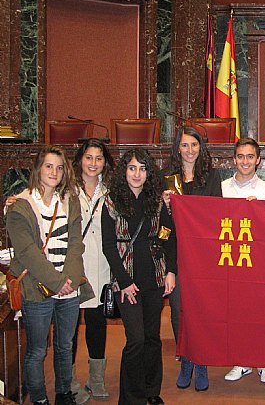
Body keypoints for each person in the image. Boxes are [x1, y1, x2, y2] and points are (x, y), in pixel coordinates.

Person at [6, 146, 93, 405]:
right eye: (48, 166)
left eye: (59, 167)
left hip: (68, 287)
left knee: (65, 346)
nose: (54, 172)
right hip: (37, 288)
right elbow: (28, 253)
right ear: (38, 169)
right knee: (37, 350)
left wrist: (69, 280)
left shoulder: (70, 201)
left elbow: (76, 244)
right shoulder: (20, 206)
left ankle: (63, 393)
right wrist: (56, 283)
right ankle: (41, 398)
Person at [102, 148, 176, 405]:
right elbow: (109, 245)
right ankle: (131, 397)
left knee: (153, 338)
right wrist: (124, 281)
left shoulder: (157, 200)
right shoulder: (111, 201)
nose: (137, 173)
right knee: (136, 339)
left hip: (155, 277)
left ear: (149, 173)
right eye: (132, 168)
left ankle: (151, 391)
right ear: (124, 171)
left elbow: (168, 235)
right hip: (127, 281)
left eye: (142, 168)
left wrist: (171, 270)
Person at [162, 126, 221, 392]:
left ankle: (202, 360)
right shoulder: (167, 177)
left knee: (203, 310)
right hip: (176, 254)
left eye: (194, 145)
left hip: (204, 256)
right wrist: (163, 204)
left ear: (201, 147)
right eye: (184, 145)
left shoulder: (211, 177)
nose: (189, 150)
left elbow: (217, 216)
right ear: (177, 148)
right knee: (178, 312)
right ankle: (186, 358)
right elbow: (163, 225)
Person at [221, 137, 265, 384]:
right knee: (236, 311)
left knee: (263, 312)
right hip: (232, 259)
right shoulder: (221, 188)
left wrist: (261, 211)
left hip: (260, 263)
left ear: (258, 160)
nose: (245, 161)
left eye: (250, 157)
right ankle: (241, 360)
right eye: (241, 157)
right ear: (234, 160)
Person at [71, 139, 115, 402]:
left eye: (98, 158)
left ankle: (96, 379)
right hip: (73, 268)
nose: (93, 163)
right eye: (89, 157)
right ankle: (70, 380)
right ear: (80, 160)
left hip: (100, 267)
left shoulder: (109, 193)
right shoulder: (66, 190)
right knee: (69, 328)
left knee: (97, 324)